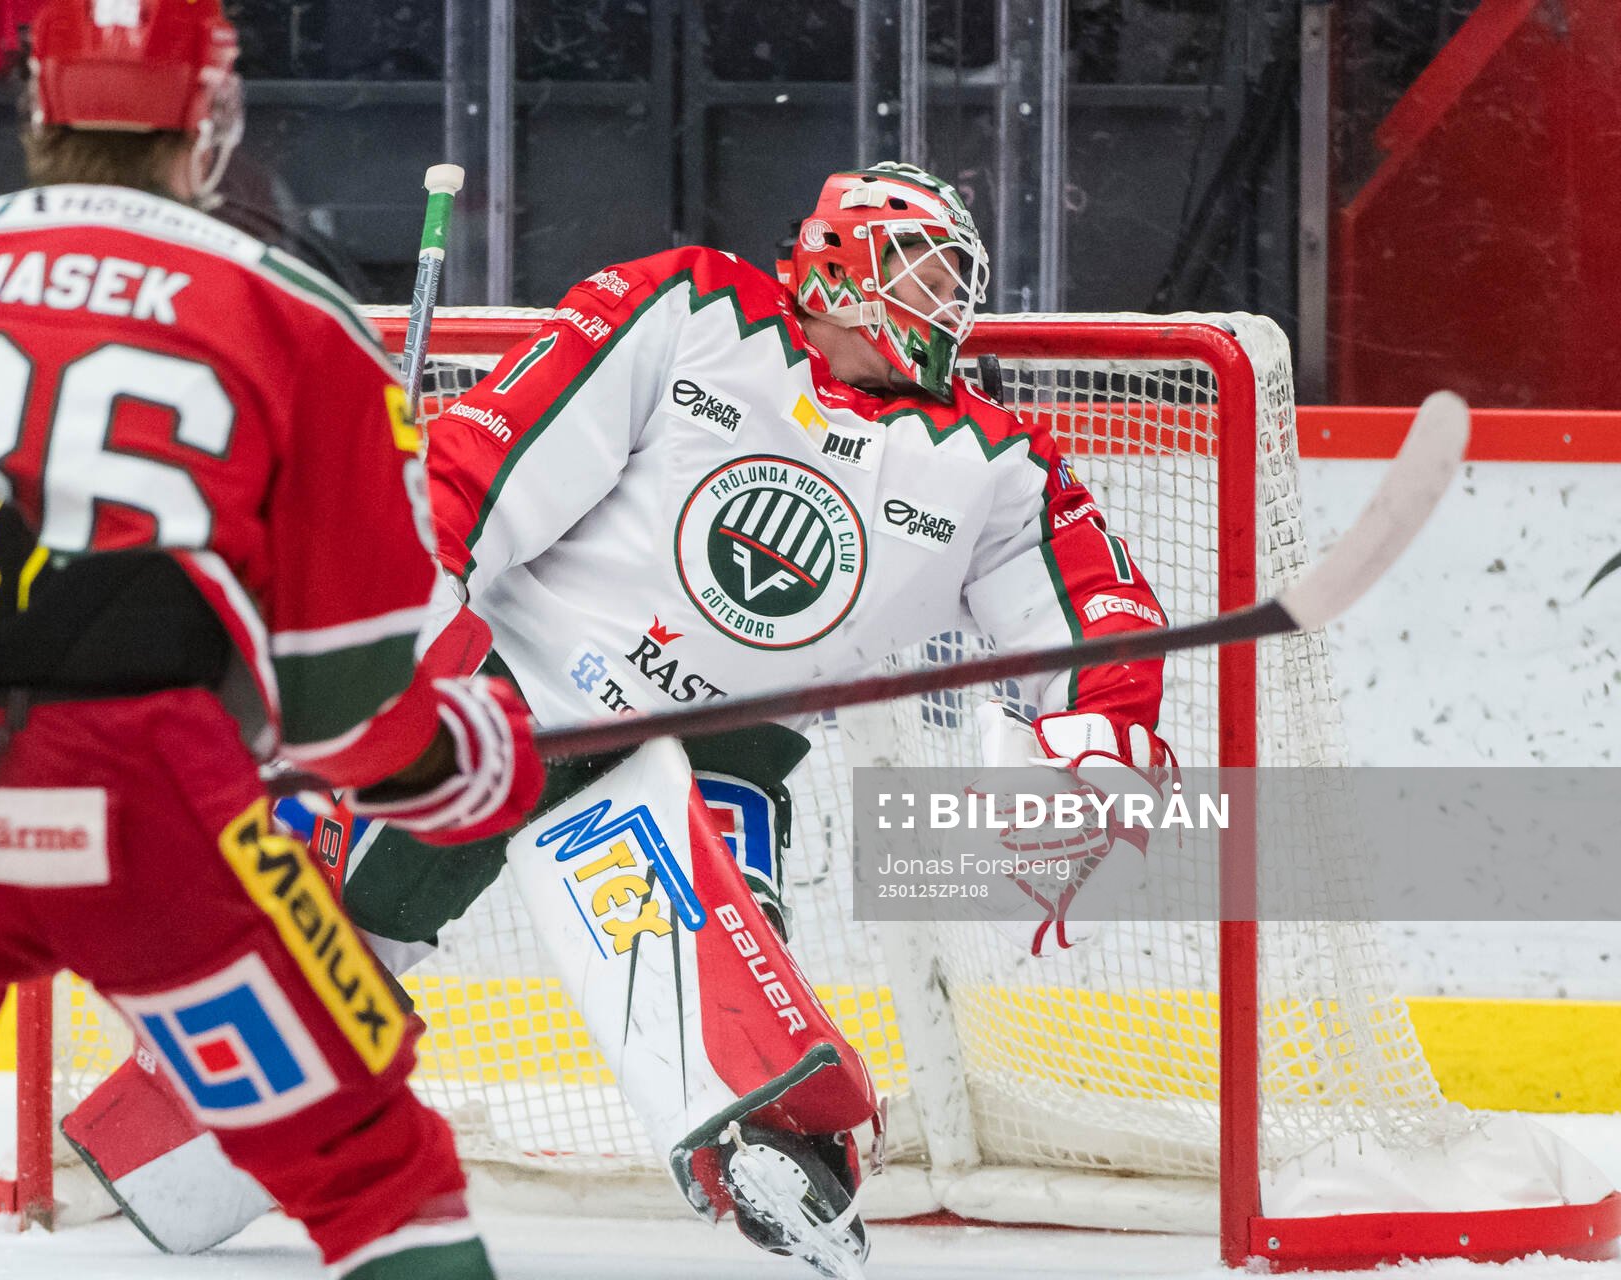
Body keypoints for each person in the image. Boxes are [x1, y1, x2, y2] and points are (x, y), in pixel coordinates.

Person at [89, 161, 1177, 1280]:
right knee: (333, 929)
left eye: (957, 279)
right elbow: (495, 447)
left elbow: (1094, 613)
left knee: (730, 973)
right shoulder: (692, 308)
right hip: (513, 688)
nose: (944, 300)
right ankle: (200, 1111)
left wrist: (1099, 739)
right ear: (841, 262)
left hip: (718, 746)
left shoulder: (992, 464)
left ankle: (783, 1152)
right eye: (921, 267)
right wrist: (397, 591)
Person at [0, 1, 542, 1277]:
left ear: (36, 109)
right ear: (211, 127)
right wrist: (473, 761)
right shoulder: (296, 311)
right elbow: (344, 712)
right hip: (153, 801)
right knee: (380, 1177)